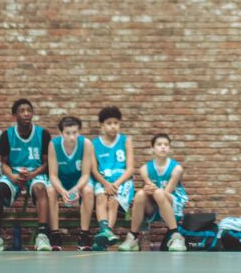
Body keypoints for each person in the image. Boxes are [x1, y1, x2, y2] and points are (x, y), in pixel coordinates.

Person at [0, 98, 52, 252]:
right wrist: (12, 177)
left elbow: (46, 164)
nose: (26, 114)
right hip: (14, 174)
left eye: (29, 110)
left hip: (35, 173)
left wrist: (32, 174)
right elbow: (3, 163)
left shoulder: (43, 134)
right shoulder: (7, 135)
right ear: (14, 116)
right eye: (22, 111)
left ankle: (42, 234)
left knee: (40, 188)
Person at [118, 133, 187, 252]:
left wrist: (154, 190)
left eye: (166, 145)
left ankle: (176, 236)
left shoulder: (176, 169)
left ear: (169, 148)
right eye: (159, 144)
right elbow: (151, 191)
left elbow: (167, 192)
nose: (163, 147)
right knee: (140, 194)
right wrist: (149, 190)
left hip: (172, 203)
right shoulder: (144, 169)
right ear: (152, 148)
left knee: (159, 192)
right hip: (154, 205)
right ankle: (133, 237)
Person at [45, 116, 97, 250]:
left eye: (75, 132)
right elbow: (53, 175)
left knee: (88, 191)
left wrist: (75, 189)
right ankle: (55, 235)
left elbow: (86, 174)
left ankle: (84, 235)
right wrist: (63, 192)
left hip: (79, 180)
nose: (72, 136)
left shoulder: (86, 144)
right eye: (68, 133)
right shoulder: (53, 145)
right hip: (61, 180)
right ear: (61, 133)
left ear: (79, 132)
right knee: (50, 191)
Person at [91, 105, 134, 250]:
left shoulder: (125, 141)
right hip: (103, 181)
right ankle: (106, 231)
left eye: (116, 123)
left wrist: (115, 184)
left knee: (113, 200)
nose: (113, 126)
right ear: (102, 125)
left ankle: (105, 233)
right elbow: (94, 170)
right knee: (101, 197)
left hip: (122, 181)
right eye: (109, 123)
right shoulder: (94, 143)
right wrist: (105, 184)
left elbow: (130, 169)